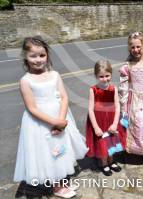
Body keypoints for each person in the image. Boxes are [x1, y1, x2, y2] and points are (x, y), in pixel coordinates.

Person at [14, 36, 88, 198]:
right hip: (40, 123)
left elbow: (64, 97)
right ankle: (57, 187)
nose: (38, 60)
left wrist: (61, 120)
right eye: (33, 56)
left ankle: (61, 181)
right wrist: (55, 122)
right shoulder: (25, 80)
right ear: (25, 57)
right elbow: (32, 108)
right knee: (48, 153)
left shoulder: (54, 75)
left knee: (61, 150)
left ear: (47, 55)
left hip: (60, 117)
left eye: (42, 55)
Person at [85, 60, 125, 176]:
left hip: (111, 120)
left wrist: (114, 123)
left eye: (107, 76)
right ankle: (104, 163)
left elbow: (117, 107)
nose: (105, 79)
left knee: (111, 141)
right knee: (102, 142)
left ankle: (111, 161)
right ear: (96, 76)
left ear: (111, 74)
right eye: (101, 76)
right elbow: (90, 110)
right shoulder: (93, 90)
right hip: (99, 121)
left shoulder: (113, 89)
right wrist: (96, 127)